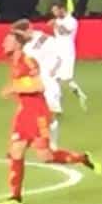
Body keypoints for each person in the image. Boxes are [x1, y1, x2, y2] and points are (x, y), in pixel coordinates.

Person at [0, 26, 100, 204]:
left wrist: (14, 89)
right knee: (16, 152)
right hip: (24, 114)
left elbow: (39, 86)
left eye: (7, 41)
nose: (3, 44)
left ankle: (82, 158)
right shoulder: (14, 63)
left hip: (37, 114)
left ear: (18, 44)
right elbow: (23, 87)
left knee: (46, 156)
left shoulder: (28, 61)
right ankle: (15, 197)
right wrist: (15, 93)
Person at [21, 20, 66, 148]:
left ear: (28, 30)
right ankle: (31, 141)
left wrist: (55, 68)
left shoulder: (43, 39)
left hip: (49, 81)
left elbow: (59, 55)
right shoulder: (26, 47)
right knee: (33, 114)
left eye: (20, 34)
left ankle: (52, 143)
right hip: (36, 82)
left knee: (50, 115)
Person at [49, 0, 87, 108]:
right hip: (57, 51)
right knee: (53, 76)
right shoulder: (57, 20)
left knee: (66, 79)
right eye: (53, 11)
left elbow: (65, 32)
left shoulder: (71, 21)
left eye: (56, 11)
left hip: (67, 52)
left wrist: (55, 25)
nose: (54, 14)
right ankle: (57, 102)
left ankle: (80, 95)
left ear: (62, 9)